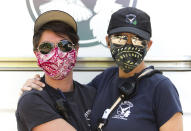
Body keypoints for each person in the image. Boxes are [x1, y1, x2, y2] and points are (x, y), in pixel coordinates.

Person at [21, 7, 183, 131]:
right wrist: (31, 88)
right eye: (120, 38)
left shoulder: (161, 87)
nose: (128, 45)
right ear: (108, 41)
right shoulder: (104, 81)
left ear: (148, 45)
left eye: (136, 39)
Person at [16, 10, 96, 131]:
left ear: (76, 50)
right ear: (37, 54)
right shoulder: (32, 100)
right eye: (46, 47)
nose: (56, 53)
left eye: (64, 45)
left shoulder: (91, 95)